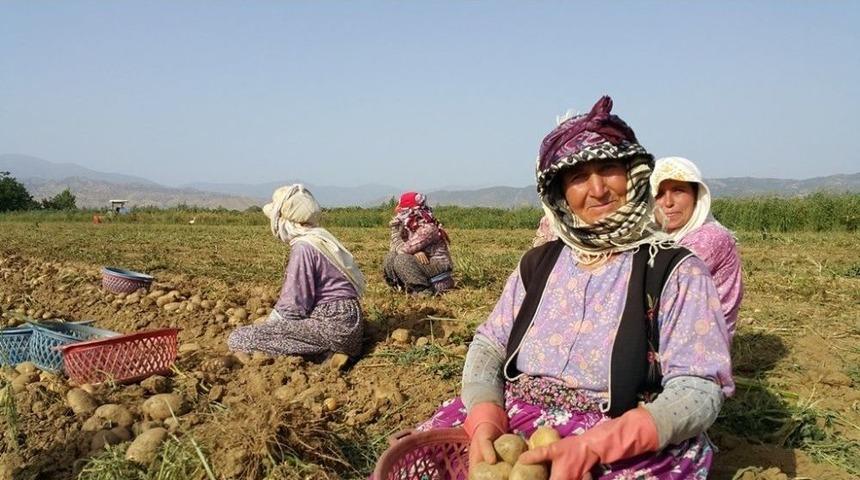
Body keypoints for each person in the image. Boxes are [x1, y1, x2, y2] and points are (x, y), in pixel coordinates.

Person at [413, 97, 733, 479]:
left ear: (632, 173)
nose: (597, 189)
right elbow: (489, 346)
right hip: (514, 421)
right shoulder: (539, 263)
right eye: (578, 177)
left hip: (621, 436)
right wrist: (486, 420)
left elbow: (698, 390)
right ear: (560, 193)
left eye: (609, 169)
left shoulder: (674, 270)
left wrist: (594, 446)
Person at [227, 184, 366, 359]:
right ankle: (325, 354)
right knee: (284, 334)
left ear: (284, 221)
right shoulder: (321, 239)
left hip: (331, 325)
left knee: (239, 338)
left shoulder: (303, 247)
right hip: (350, 322)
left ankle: (326, 353)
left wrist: (269, 327)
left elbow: (293, 306)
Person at [651, 156, 744, 338]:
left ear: (696, 197)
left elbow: (657, 287)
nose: (668, 202)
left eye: (678, 191)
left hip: (698, 345)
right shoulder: (663, 238)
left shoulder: (709, 239)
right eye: (659, 194)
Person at [383, 192, 454, 295]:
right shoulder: (407, 226)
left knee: (402, 260)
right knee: (390, 257)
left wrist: (395, 230)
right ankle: (399, 287)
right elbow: (394, 248)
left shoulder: (428, 228)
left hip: (437, 265)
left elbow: (404, 250)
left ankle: (423, 290)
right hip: (420, 262)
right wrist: (414, 252)